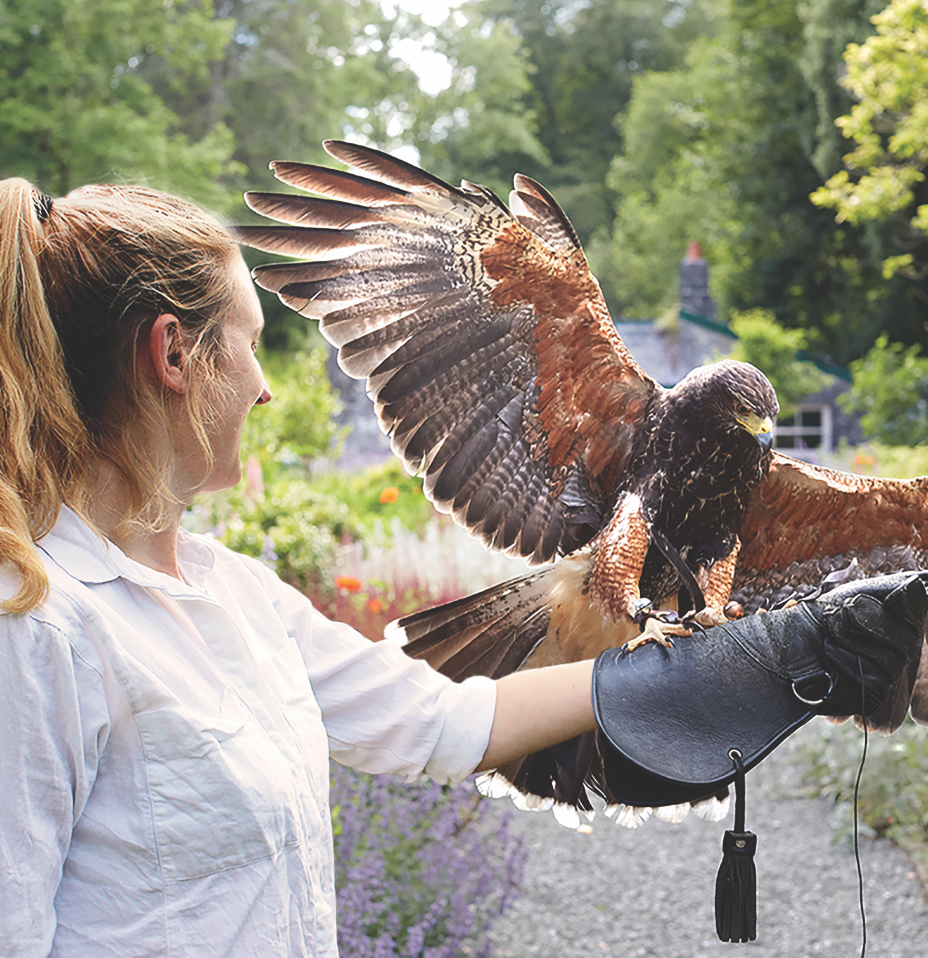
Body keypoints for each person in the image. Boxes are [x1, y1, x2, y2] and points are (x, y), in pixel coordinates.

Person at [0, 177, 923, 958]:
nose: (265, 382)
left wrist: (748, 656)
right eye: (249, 342)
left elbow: (443, 721)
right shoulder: (35, 629)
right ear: (172, 355)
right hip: (600, 570)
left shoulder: (238, 597)